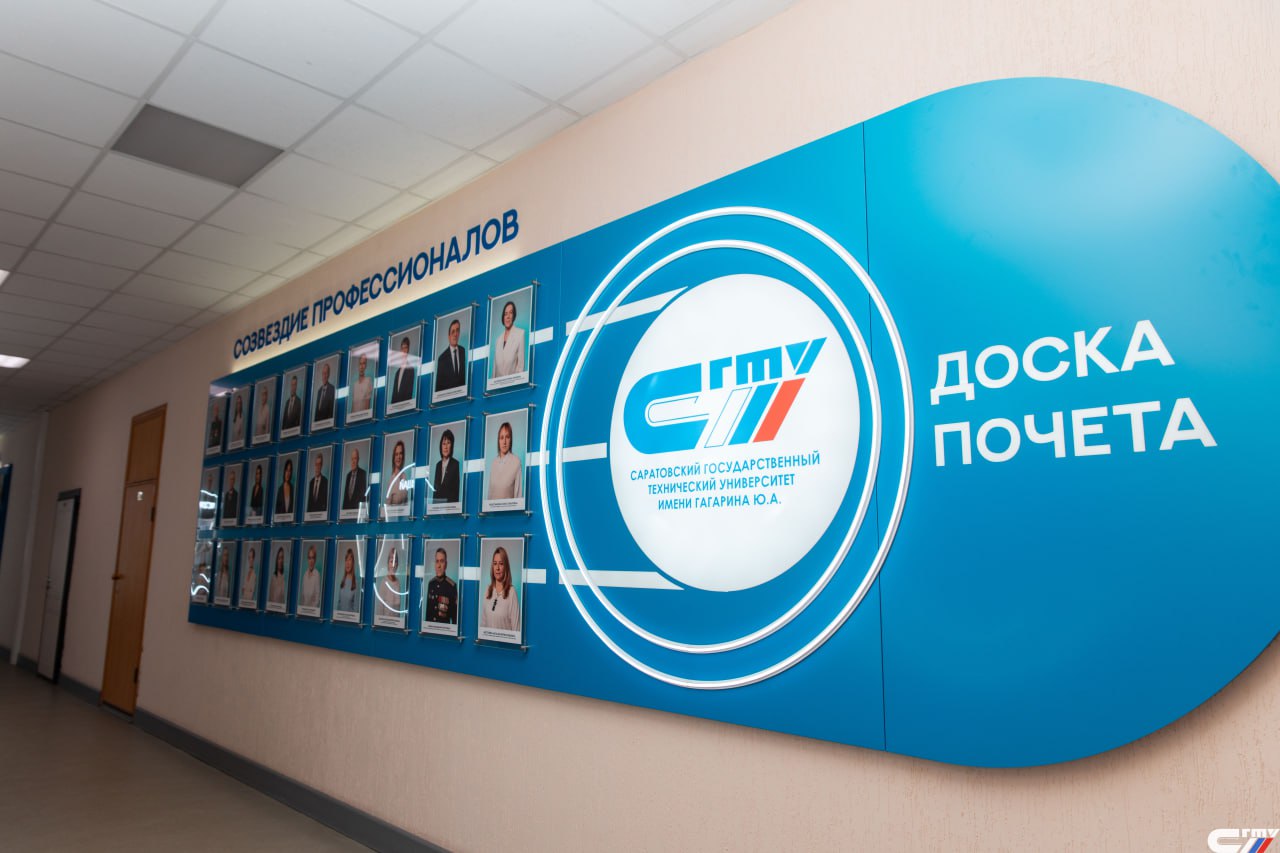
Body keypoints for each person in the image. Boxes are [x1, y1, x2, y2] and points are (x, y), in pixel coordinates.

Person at [481, 546, 520, 631]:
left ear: (506, 567)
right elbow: (483, 625)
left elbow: (516, 630)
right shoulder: (488, 590)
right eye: (495, 563)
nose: (497, 568)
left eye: (501, 564)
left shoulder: (512, 592)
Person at [487, 422, 522, 501]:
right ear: (498, 440)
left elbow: (518, 496)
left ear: (511, 439)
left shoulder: (516, 461)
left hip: (508, 508)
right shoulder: (494, 463)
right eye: (501, 438)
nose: (504, 442)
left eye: (507, 437)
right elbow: (490, 494)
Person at [491, 300, 525, 378]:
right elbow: (494, 372)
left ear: (514, 315)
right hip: (498, 384)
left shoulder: (520, 334)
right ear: (503, 317)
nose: (508, 316)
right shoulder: (498, 340)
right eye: (505, 314)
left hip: (512, 383)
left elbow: (521, 368)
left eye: (511, 313)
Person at [425, 547, 458, 625]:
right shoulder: (431, 584)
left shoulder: (451, 586)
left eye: (442, 561)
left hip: (444, 629)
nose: (439, 565)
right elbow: (428, 613)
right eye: (437, 561)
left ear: (446, 564)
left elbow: (455, 619)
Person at [434, 318, 467, 392]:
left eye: (457, 330)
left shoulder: (463, 351)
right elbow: (438, 387)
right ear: (449, 336)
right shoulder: (441, 359)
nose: (455, 334)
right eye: (453, 332)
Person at [433, 428, 460, 504]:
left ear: (452, 445)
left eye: (448, 443)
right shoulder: (438, 465)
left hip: (449, 507)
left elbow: (456, 492)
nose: (446, 447)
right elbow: (435, 491)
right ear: (440, 446)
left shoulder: (455, 464)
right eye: (444, 443)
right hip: (437, 507)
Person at [376, 547, 403, 623]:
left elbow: (398, 609)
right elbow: (380, 608)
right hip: (385, 623)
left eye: (395, 561)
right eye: (391, 561)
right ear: (388, 563)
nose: (393, 565)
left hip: (396, 624)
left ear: (397, 564)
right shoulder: (384, 582)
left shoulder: (398, 582)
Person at [389, 336, 416, 405]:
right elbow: (393, 396)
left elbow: (409, 393)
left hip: (405, 407)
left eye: (405, 348)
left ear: (408, 349)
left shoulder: (411, 369)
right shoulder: (397, 373)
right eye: (402, 348)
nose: (403, 350)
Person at [384, 440, 410, 509]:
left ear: (403, 456)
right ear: (394, 458)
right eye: (396, 454)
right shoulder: (391, 480)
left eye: (400, 453)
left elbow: (406, 503)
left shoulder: (404, 477)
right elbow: (386, 507)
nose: (398, 457)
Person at [341, 446, 368, 512]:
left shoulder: (363, 474)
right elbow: (345, 498)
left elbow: (364, 496)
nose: (353, 461)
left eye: (355, 458)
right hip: (347, 513)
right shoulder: (348, 475)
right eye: (352, 459)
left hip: (357, 511)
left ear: (358, 459)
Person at [335, 547, 359, 615]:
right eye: (346, 560)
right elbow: (339, 604)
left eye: (350, 560)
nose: (347, 563)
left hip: (350, 619)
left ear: (353, 563)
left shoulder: (356, 583)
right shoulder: (342, 581)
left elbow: (356, 609)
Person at [299, 544, 322, 610]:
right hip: (303, 611)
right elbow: (302, 597)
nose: (311, 561)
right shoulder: (305, 575)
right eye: (309, 558)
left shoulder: (317, 574)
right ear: (307, 559)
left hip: (312, 612)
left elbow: (317, 599)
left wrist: (311, 611)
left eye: (313, 558)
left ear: (315, 559)